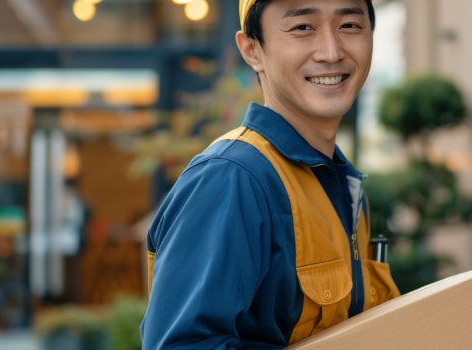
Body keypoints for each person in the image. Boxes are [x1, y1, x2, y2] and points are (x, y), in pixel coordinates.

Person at [140, 0, 400, 348]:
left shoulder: (345, 186)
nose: (331, 51)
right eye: (302, 27)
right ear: (252, 50)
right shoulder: (232, 179)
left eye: (350, 25)